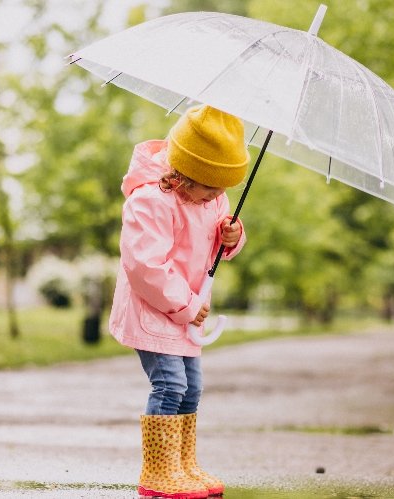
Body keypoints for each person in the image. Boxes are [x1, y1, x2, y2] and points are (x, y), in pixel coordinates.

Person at [109, 104, 249, 499]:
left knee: (192, 389)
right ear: (184, 175)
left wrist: (232, 239)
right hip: (153, 311)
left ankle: (182, 465)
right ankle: (157, 472)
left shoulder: (211, 200)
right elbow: (145, 265)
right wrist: (186, 306)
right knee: (170, 385)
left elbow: (213, 250)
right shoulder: (149, 202)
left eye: (223, 190)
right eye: (210, 188)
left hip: (186, 313)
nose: (218, 197)